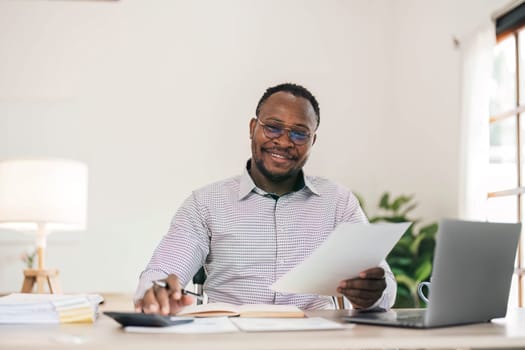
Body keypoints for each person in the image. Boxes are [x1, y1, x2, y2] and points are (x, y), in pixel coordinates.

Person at [134, 83, 396, 315]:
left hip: (315, 342)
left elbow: (384, 287)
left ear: (312, 140)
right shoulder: (205, 203)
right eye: (272, 127)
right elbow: (162, 272)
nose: (283, 141)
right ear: (252, 128)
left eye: (299, 133)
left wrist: (372, 294)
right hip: (232, 342)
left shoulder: (338, 202)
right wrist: (157, 291)